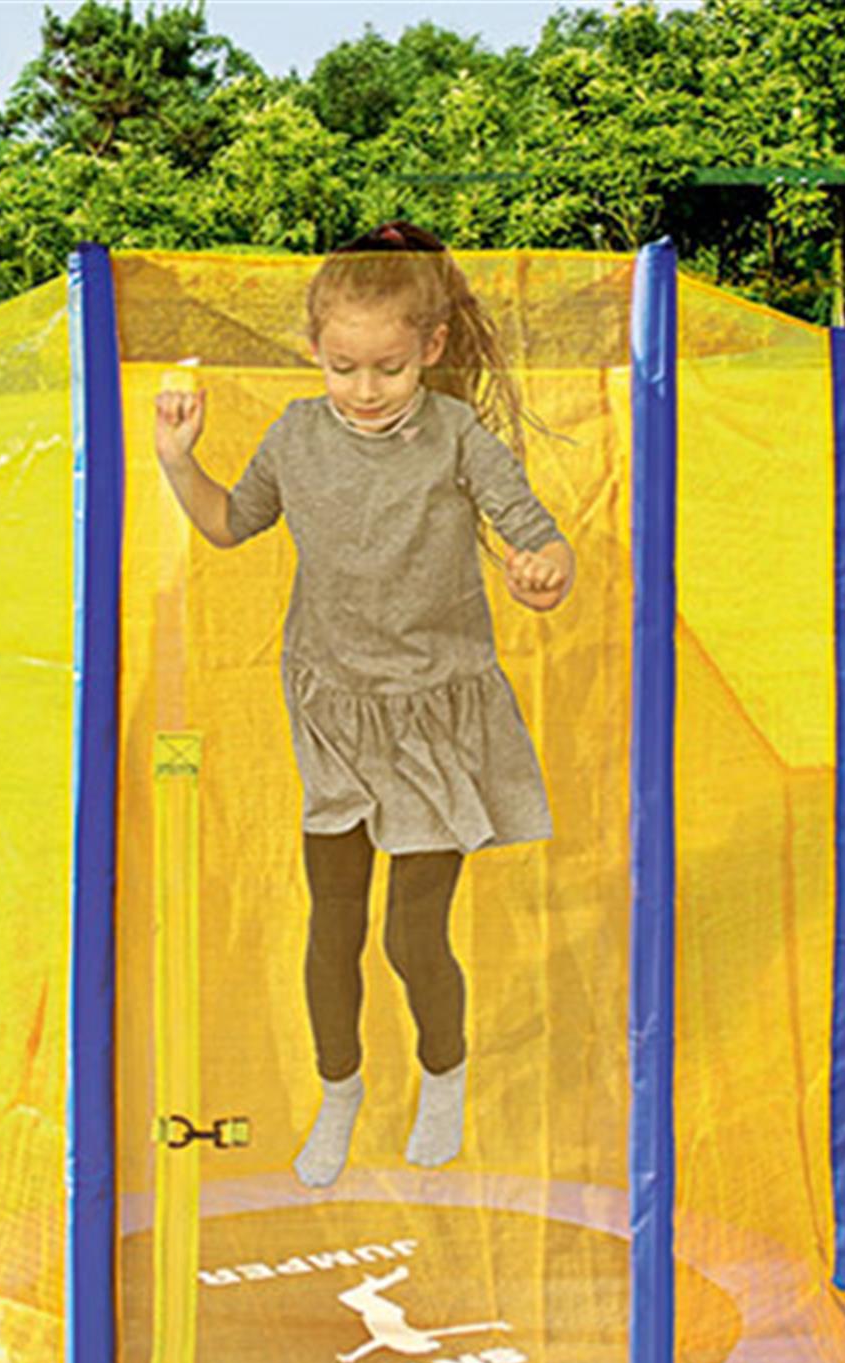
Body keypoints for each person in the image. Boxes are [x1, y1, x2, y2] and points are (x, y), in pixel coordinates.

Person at [153, 220, 574, 1188]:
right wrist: (180, 460)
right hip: (336, 716)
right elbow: (230, 524)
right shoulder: (297, 435)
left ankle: (443, 1075)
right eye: (344, 366)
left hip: (431, 718)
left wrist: (543, 567)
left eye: (388, 366)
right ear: (314, 349)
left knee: (409, 935)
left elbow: (534, 531)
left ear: (430, 346)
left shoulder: (457, 434)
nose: (366, 389)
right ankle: (336, 1094)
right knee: (332, 927)